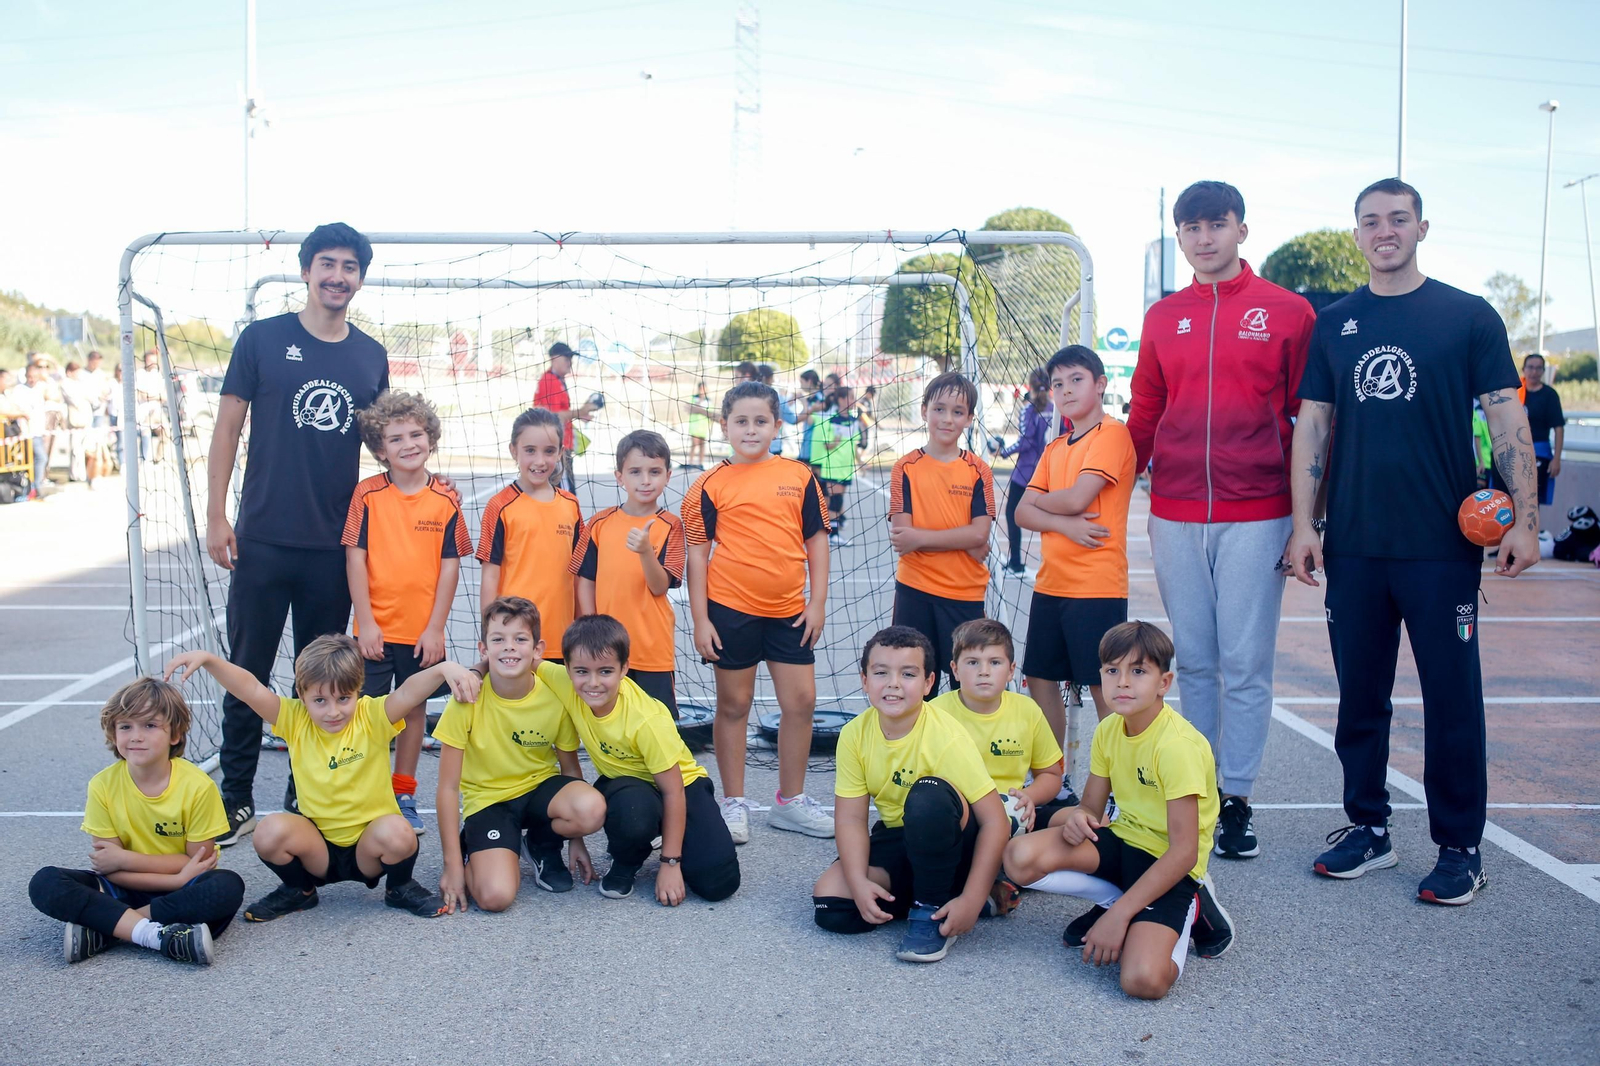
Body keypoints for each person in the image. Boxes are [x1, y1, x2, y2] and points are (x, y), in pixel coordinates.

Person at [1286, 178, 1541, 906]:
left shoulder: (1466, 317)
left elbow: (1505, 420)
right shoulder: (1335, 323)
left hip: (1440, 549)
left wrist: (1524, 519)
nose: (1384, 231)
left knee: (1452, 700)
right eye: (1371, 221)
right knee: (1359, 699)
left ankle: (1459, 846)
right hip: (1357, 546)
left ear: (1422, 228)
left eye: (1398, 219)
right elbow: (1314, 425)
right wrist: (1306, 525)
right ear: (1357, 234)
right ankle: (1368, 828)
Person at [1124, 180, 1317, 862]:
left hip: (1259, 512)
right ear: (1180, 237)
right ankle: (1194, 793)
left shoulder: (1288, 312)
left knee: (1245, 660)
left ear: (1240, 229)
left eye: (1216, 224)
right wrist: (1113, 491)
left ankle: (1236, 798)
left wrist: (1306, 522)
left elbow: (1310, 424)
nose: (1204, 238)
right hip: (1174, 511)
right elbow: (1144, 413)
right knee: (1196, 661)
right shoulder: (1162, 317)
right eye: (1191, 228)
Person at [206, 223, 402, 846]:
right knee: (250, 671)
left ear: (360, 279)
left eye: (349, 266)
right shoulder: (262, 339)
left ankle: (305, 797)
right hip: (262, 539)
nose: (338, 275)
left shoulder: (370, 355)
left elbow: (390, 443)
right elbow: (227, 430)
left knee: (320, 683)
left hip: (332, 548)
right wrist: (217, 515)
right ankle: (235, 797)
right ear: (305, 270)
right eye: (327, 264)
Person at [163, 635, 475, 921]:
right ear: (302, 695)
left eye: (343, 699)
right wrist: (210, 660)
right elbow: (250, 688)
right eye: (320, 701)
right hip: (318, 849)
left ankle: (399, 887)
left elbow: (409, 691)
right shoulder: (294, 718)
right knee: (269, 831)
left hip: (369, 847)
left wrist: (444, 668)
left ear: (358, 691)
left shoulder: (371, 716)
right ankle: (300, 890)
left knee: (399, 831)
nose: (333, 712)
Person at [1002, 622, 1232, 999]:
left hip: (1170, 865)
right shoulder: (1110, 728)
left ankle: (1193, 907)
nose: (1122, 682)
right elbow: (1091, 808)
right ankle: (1115, 899)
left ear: (1164, 682)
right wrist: (1078, 819)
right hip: (1125, 840)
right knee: (1018, 856)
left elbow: (1184, 851)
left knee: (1142, 981)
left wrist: (1120, 918)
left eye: (1138, 671)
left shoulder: (1177, 747)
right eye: (1112, 671)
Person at [684, 381, 834, 845]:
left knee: (801, 703)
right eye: (741, 421)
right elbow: (696, 554)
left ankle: (790, 802)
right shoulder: (708, 484)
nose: (751, 429)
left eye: (760, 420)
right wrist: (701, 618)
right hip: (731, 611)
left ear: (776, 424)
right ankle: (734, 802)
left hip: (791, 612)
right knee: (733, 707)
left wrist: (818, 603)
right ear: (725, 425)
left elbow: (817, 542)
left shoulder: (801, 476)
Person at [812, 626, 1008, 963]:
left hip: (953, 837)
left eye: (908, 673)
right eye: (881, 672)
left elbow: (996, 822)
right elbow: (851, 818)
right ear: (864, 679)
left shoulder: (946, 737)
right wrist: (858, 882)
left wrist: (972, 901)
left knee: (926, 795)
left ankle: (935, 907)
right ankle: (942, 896)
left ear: (929, 683)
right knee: (831, 904)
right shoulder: (854, 734)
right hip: (900, 835)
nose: (893, 683)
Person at [27, 678, 245, 966]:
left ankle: (107, 929)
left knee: (226, 887)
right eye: (125, 726)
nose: (136, 736)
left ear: (175, 735)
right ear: (113, 733)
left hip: (182, 889)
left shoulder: (198, 786)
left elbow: (197, 863)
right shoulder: (102, 785)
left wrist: (147, 867)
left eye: (150, 726)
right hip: (120, 888)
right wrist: (174, 869)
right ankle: (161, 936)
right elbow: (110, 870)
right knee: (45, 883)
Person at [343, 390, 471, 834]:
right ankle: (371, 790)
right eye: (395, 438)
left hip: (422, 634)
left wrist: (436, 628)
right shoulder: (368, 494)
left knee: (413, 713)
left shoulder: (446, 499)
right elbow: (355, 558)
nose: (408, 444)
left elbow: (450, 566)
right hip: (376, 630)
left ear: (430, 439)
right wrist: (367, 624)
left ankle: (403, 790)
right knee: (371, 712)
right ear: (380, 449)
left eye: (416, 434)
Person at [434, 597, 605, 913]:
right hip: (491, 801)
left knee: (591, 808)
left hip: (539, 791)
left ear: (537, 649)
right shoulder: (466, 699)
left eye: (520, 639)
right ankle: (475, 849)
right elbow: (447, 788)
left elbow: (570, 769)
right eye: (498, 639)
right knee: (495, 898)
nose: (509, 648)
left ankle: (540, 844)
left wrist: (577, 839)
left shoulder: (554, 696)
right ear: (483, 650)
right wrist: (452, 866)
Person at [556, 614, 740, 904]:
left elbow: (673, 790)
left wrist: (670, 863)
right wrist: (468, 672)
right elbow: (516, 659)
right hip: (628, 788)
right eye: (582, 671)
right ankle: (627, 860)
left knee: (719, 884)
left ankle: (669, 834)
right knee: (634, 813)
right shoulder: (563, 683)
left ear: (624, 669)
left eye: (605, 671)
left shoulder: (647, 720)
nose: (593, 683)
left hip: (681, 786)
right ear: (566, 668)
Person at [1014, 346, 1138, 746]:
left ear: (1100, 385)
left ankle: (1118, 787)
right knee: (1039, 676)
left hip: (1096, 586)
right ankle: (1055, 778)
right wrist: (1063, 524)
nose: (1065, 390)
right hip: (1052, 585)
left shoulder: (1113, 434)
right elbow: (1021, 513)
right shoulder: (1055, 448)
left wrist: (1047, 505)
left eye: (1076, 380)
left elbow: (1076, 498)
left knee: (1105, 686)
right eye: (1057, 384)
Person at [887, 372, 996, 694]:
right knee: (915, 681)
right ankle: (917, 746)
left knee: (970, 686)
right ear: (924, 411)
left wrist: (923, 538)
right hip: (914, 589)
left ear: (969, 419)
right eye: (939, 409)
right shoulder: (905, 468)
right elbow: (902, 537)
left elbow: (979, 535)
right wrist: (960, 540)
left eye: (958, 412)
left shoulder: (978, 470)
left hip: (964, 594)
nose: (947, 419)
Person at [571, 430, 687, 717]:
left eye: (654, 471)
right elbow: (585, 578)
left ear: (668, 476)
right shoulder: (600, 523)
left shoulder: (672, 526)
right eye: (635, 471)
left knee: (658, 728)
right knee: (612, 723)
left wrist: (646, 551)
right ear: (619, 476)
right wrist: (590, 624)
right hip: (607, 649)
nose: (645, 480)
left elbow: (660, 587)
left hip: (651, 648)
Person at [927, 619, 1069, 833]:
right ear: (955, 670)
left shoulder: (1027, 710)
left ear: (1011, 670)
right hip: (960, 816)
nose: (984, 671)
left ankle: (1025, 856)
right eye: (973, 662)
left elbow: (1051, 775)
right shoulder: (935, 713)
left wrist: (1027, 798)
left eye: (994, 662)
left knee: (1090, 819)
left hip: (1014, 811)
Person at [478, 407, 585, 663]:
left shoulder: (571, 505)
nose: (540, 461)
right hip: (514, 644)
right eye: (530, 451)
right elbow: (490, 577)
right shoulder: (500, 506)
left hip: (562, 639)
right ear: (514, 450)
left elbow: (580, 575)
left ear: (560, 452)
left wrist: (582, 628)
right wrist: (490, 637)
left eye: (549, 451)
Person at [1487, 354, 1564, 511]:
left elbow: (1558, 427)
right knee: (1503, 499)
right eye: (1530, 367)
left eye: (1538, 368)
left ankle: (1529, 533)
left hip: (1538, 452)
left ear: (1543, 371)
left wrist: (1556, 458)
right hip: (1510, 451)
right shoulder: (1513, 392)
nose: (1534, 372)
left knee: (1530, 501)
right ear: (1523, 369)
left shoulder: (1549, 395)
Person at [999, 368, 1051, 577]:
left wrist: (1003, 452)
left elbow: (1026, 440)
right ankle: (1052, 563)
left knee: (1012, 514)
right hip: (1047, 471)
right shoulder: (1055, 409)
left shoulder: (1029, 410)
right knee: (1050, 516)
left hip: (1025, 472)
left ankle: (1016, 563)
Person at [533, 342, 598, 494]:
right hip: (555, 447)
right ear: (555, 358)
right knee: (565, 493)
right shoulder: (549, 381)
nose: (570, 363)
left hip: (562, 445)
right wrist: (581, 410)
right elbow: (554, 416)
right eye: (567, 358)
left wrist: (580, 414)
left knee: (565, 491)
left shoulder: (558, 380)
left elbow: (560, 413)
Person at [814, 384, 863, 548]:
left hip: (846, 468)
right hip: (832, 466)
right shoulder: (830, 420)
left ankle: (830, 533)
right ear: (841, 400)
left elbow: (855, 445)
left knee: (837, 501)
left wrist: (860, 461)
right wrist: (834, 442)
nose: (853, 400)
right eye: (850, 397)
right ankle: (831, 534)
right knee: (834, 500)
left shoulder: (854, 421)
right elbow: (826, 445)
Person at [683, 381, 712, 469]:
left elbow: (710, 413)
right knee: (694, 444)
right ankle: (691, 462)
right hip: (695, 425)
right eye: (701, 388)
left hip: (704, 426)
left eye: (704, 388)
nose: (702, 390)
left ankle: (700, 463)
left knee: (702, 444)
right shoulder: (694, 399)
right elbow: (688, 409)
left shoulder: (708, 401)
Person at [856, 385, 877, 456]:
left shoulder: (869, 402)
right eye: (872, 394)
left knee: (865, 443)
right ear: (868, 393)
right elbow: (856, 403)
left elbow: (870, 414)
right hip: (860, 423)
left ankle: (861, 458)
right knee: (862, 442)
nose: (872, 397)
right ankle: (858, 457)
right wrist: (862, 407)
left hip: (865, 424)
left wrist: (877, 423)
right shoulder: (862, 400)